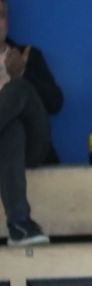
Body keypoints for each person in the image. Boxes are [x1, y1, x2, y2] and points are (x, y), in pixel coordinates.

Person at [0, 0, 63, 246]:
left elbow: (55, 103)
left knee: (19, 88)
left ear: (7, 21)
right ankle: (20, 223)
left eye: (0, 15)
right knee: (11, 128)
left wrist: (21, 74)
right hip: (6, 152)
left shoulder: (27, 54)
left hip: (34, 147)